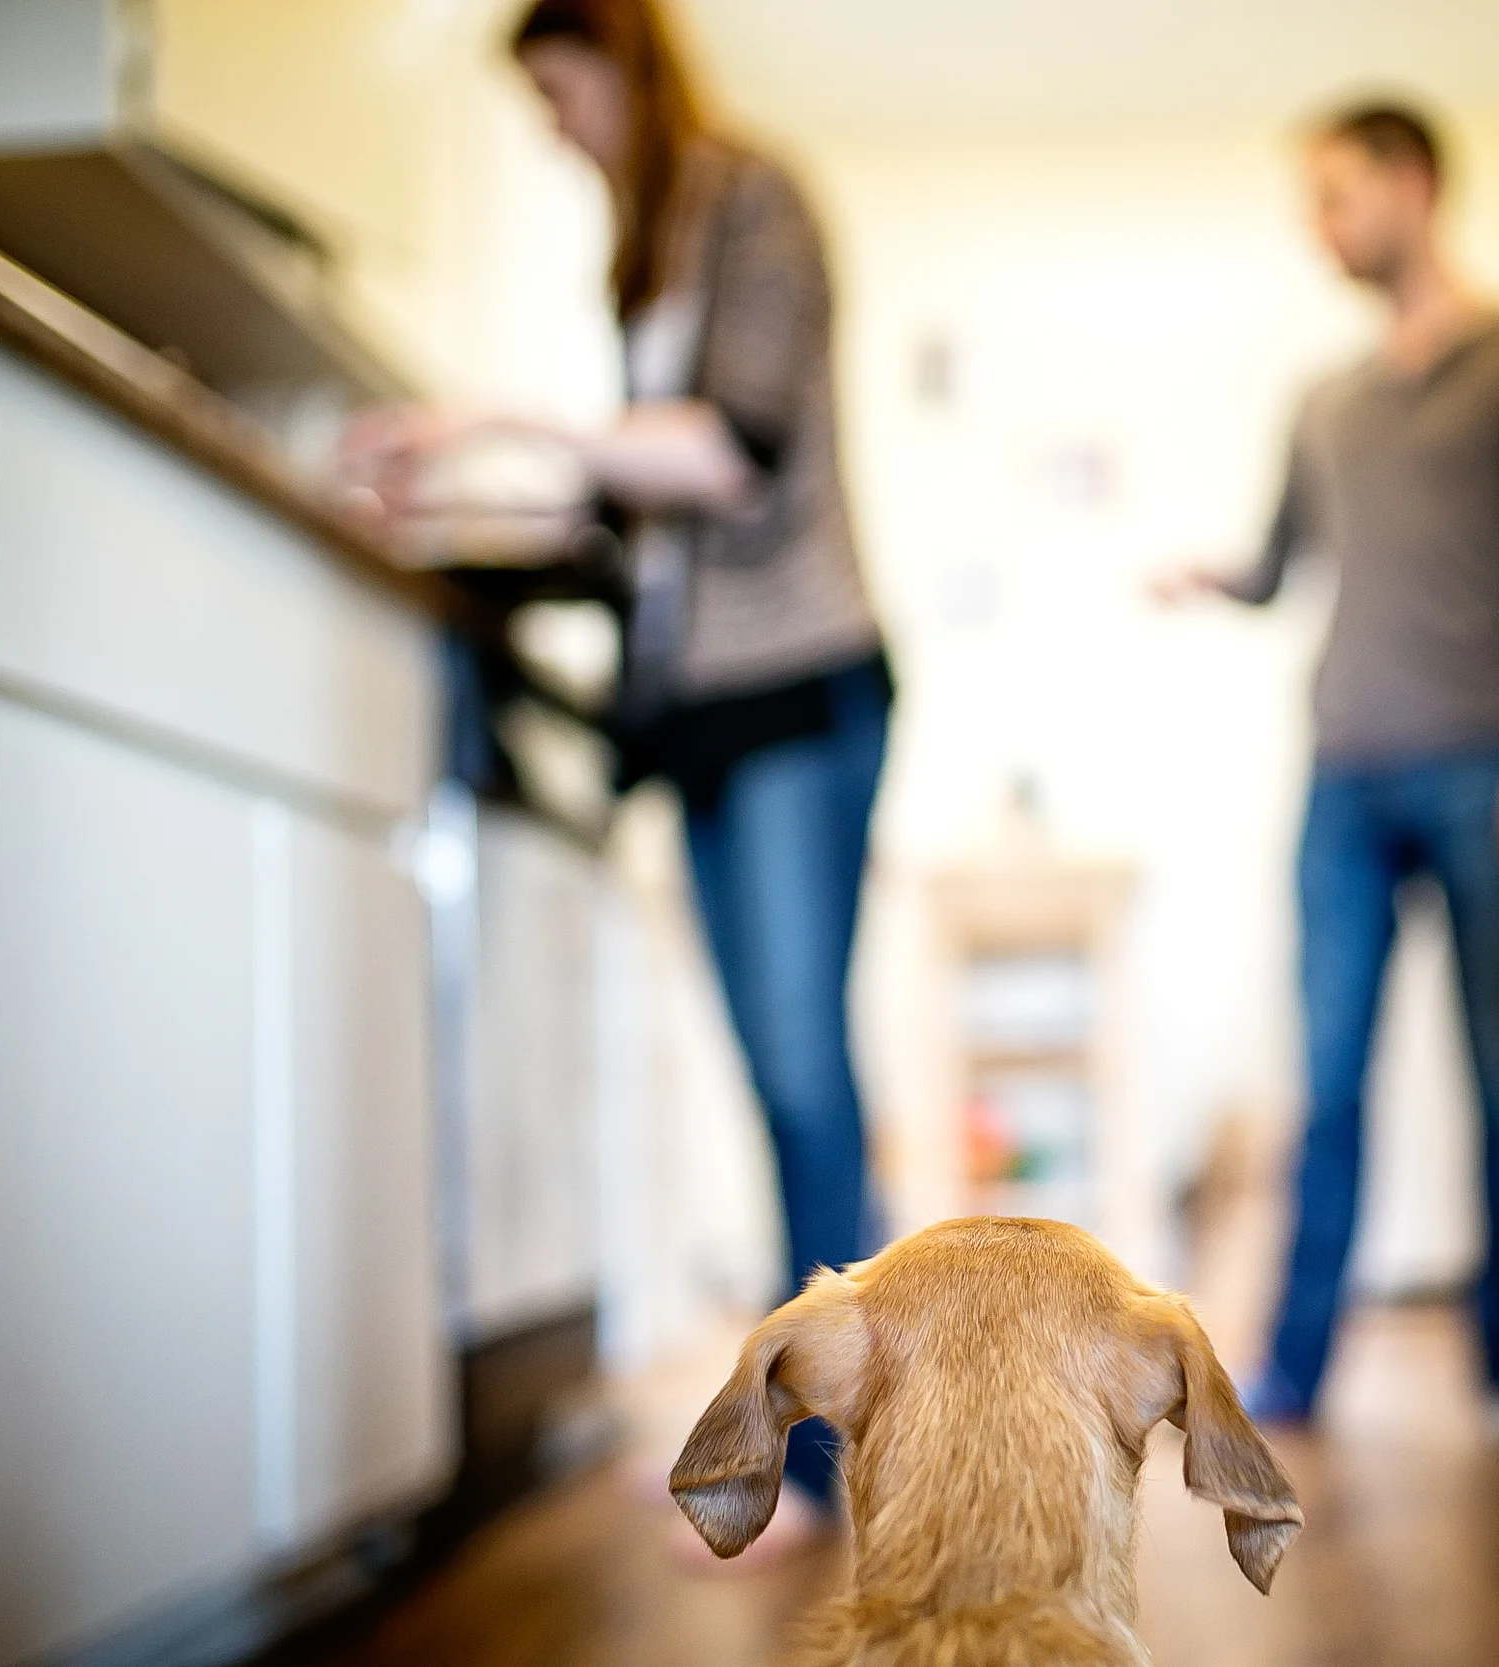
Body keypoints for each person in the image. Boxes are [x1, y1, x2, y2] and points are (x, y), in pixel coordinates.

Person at [351, 0, 888, 1553]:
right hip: (705, 713)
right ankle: (848, 1445)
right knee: (777, 1076)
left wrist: (498, 417)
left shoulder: (754, 200)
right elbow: (637, 514)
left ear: (620, 59)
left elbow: (730, 452)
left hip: (798, 686)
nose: (553, 126)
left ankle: (830, 1462)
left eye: (559, 90)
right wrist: (463, 489)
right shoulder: (647, 255)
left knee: (803, 1073)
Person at [1155, 101, 1499, 1453]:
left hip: (1487, 761)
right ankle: (1293, 1372)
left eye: (1338, 196)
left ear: (1414, 183)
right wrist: (1212, 578)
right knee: (1329, 1087)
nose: (1322, 228)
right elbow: (1276, 563)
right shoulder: (1325, 401)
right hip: (1344, 778)